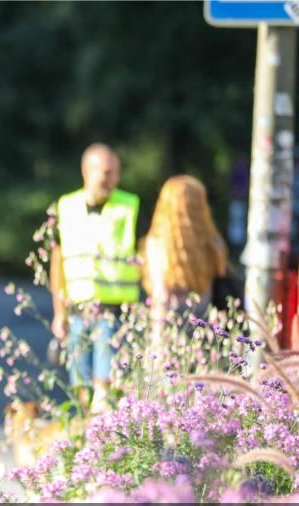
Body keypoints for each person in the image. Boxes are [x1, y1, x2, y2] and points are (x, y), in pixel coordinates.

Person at [49, 143, 140, 413]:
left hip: (113, 312)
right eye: (107, 173)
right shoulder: (66, 207)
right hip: (78, 312)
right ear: (86, 172)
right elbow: (58, 263)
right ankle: (84, 439)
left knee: (104, 389)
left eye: (116, 173)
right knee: (80, 386)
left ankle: (98, 436)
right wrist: (59, 312)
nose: (113, 179)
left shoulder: (129, 206)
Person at [140, 175, 228, 345]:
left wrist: (157, 340)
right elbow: (220, 274)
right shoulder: (213, 242)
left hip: (171, 326)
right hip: (206, 327)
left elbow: (161, 295)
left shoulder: (158, 243)